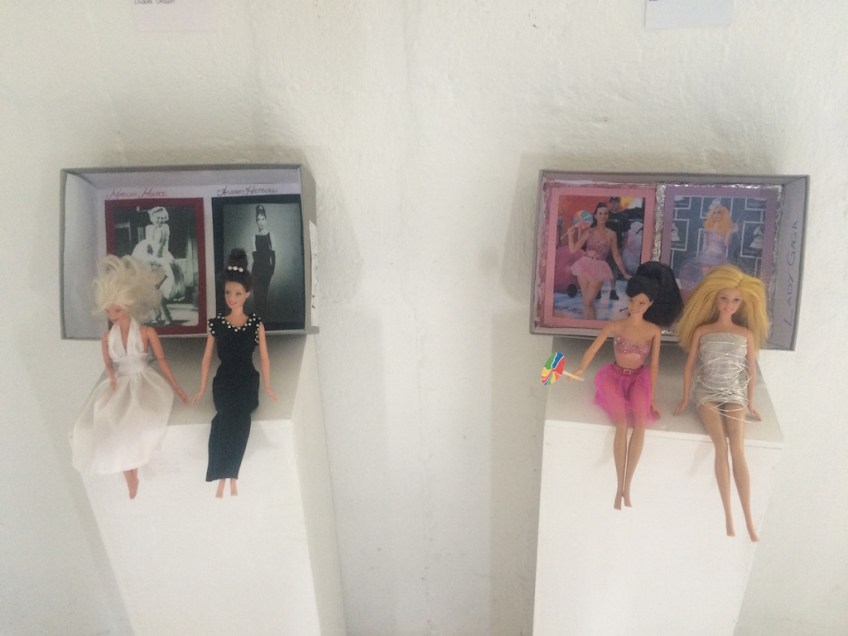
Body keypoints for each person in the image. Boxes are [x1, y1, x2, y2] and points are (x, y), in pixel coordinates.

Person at [71, 255, 188, 499]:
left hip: (144, 381)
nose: (112, 314)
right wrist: (111, 377)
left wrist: (176, 386)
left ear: (129, 305)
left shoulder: (146, 332)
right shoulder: (108, 338)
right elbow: (108, 363)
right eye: (108, 310)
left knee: (137, 421)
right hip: (120, 382)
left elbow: (162, 360)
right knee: (108, 423)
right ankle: (129, 475)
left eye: (117, 309)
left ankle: (133, 470)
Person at [674, 264, 768, 541]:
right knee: (721, 446)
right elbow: (689, 366)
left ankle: (748, 519)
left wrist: (751, 402)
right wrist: (685, 397)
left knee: (738, 448)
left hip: (734, 392)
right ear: (714, 299)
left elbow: (750, 370)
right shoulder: (702, 331)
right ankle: (728, 515)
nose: (729, 304)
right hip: (707, 392)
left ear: (743, 303)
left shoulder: (746, 334)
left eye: (735, 300)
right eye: (724, 298)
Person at [570, 275, 665, 510]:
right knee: (621, 423)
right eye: (632, 301)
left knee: (640, 424)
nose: (635, 307)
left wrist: (651, 397)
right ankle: (618, 486)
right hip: (613, 376)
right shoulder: (615, 326)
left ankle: (628, 486)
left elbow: (654, 365)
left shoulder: (653, 331)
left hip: (639, 379)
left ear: (650, 304)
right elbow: (593, 349)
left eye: (641, 303)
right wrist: (581, 368)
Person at [194, 249, 277, 498]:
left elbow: (264, 357)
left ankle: (228, 474)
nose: (232, 298)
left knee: (239, 420)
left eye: (237, 293)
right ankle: (224, 475)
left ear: (247, 294)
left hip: (247, 381)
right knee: (223, 417)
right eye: (228, 292)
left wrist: (268, 386)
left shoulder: (255, 324)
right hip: (224, 382)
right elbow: (206, 357)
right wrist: (201, 386)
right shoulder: (217, 324)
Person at [568, 202, 631, 319]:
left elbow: (616, 255)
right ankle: (588, 326)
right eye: (600, 213)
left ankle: (590, 326)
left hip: (599, 268)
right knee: (586, 302)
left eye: (605, 213)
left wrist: (624, 273)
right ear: (595, 216)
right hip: (584, 265)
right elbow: (573, 249)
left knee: (588, 301)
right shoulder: (589, 231)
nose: (603, 216)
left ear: (608, 215)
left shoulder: (611, 234)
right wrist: (570, 236)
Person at [131, 206, 184, 325]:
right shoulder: (149, 228)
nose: (159, 221)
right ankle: (158, 315)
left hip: (160, 257)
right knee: (151, 289)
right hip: (149, 257)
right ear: (152, 218)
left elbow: (163, 245)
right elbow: (149, 245)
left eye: (162, 218)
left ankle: (166, 316)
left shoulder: (165, 228)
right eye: (157, 218)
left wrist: (157, 260)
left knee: (158, 289)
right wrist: (148, 256)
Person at [678, 199, 738, 295]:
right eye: (714, 213)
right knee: (705, 276)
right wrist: (702, 254)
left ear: (723, 215)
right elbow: (705, 244)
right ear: (711, 215)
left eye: (719, 213)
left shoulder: (725, 229)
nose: (716, 215)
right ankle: (704, 292)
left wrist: (729, 232)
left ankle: (711, 292)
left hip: (718, 255)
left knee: (713, 277)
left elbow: (726, 244)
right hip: (706, 254)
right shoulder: (708, 228)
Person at [250, 204, 276, 319]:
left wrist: (271, 270)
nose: (261, 222)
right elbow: (255, 256)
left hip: (266, 271)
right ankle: (257, 322)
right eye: (258, 219)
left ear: (266, 220)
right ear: (256, 221)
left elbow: (273, 255)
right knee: (257, 297)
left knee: (263, 296)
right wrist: (257, 273)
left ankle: (264, 322)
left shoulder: (271, 236)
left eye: (263, 219)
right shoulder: (253, 237)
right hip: (256, 271)